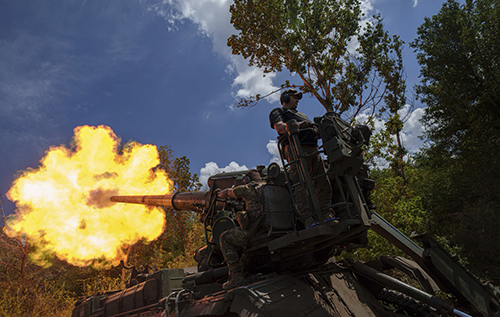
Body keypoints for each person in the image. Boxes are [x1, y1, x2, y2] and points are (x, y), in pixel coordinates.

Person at [269, 89, 333, 228]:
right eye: (294, 97)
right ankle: (308, 218)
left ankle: (326, 213)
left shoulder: (301, 115)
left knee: (323, 181)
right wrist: (296, 125)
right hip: (296, 149)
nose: (297, 100)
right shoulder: (278, 112)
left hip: (313, 149)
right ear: (285, 98)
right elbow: (280, 128)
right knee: (301, 184)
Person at [218, 169, 266, 290]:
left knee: (225, 238)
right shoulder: (268, 187)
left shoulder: (249, 188)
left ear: (248, 180)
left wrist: (219, 193)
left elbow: (228, 192)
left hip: (256, 231)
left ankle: (236, 276)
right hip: (270, 229)